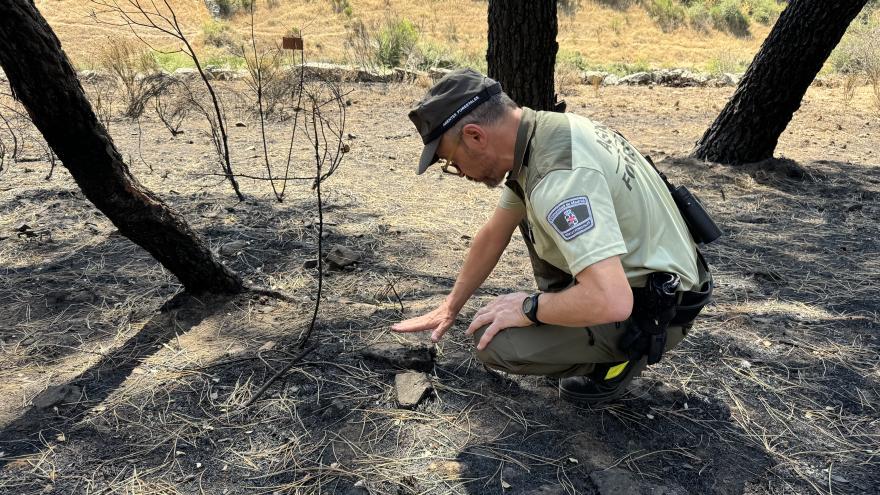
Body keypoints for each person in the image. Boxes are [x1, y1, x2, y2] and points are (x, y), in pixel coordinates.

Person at [392, 68, 712, 404]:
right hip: (671, 278)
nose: (458, 172)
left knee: (498, 343)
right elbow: (493, 234)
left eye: (450, 161)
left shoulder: (556, 180)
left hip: (660, 308)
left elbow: (612, 300)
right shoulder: (542, 135)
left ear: (474, 136)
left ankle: (618, 363)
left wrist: (530, 308)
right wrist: (450, 306)